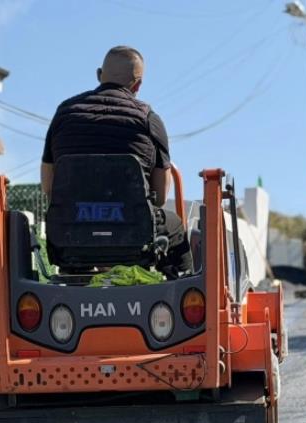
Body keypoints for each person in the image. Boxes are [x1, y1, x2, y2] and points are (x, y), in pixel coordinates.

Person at [40, 46, 192, 276]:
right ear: (138, 85)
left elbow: (48, 186)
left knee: (68, 229)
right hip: (134, 237)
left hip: (70, 238)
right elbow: (160, 196)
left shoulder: (64, 113)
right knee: (175, 227)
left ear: (99, 74)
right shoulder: (149, 119)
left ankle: (73, 276)